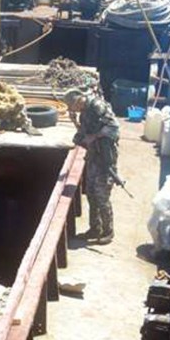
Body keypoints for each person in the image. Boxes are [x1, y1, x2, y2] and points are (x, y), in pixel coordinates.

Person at [63, 87, 119, 244]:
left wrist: (95, 137)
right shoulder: (84, 113)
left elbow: (114, 128)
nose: (71, 109)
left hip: (105, 157)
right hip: (93, 157)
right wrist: (75, 122)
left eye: (71, 106)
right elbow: (83, 134)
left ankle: (108, 231)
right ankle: (95, 228)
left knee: (102, 196)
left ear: (77, 101)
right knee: (91, 194)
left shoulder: (97, 107)